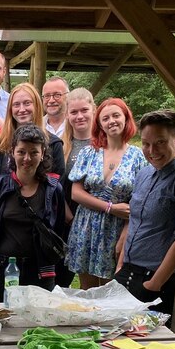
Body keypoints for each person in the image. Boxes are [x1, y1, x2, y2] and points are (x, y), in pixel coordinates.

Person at [0, 124, 66, 302]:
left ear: (42, 154)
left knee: (38, 318)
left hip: (39, 270)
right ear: (12, 152)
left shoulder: (53, 189)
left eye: (34, 152)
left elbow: (58, 228)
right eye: (21, 152)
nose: (27, 158)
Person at [115, 109, 175, 319]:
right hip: (127, 272)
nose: (151, 151)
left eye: (160, 142)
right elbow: (133, 218)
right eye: (146, 143)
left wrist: (154, 284)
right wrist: (120, 264)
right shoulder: (144, 173)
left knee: (144, 339)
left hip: (155, 281)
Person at [66, 97, 146, 289]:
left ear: (126, 118)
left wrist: (125, 235)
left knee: (111, 289)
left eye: (116, 115)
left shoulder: (138, 157)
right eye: (105, 118)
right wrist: (110, 208)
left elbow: (138, 202)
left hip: (116, 229)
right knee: (87, 290)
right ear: (100, 124)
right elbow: (76, 193)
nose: (112, 121)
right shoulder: (89, 153)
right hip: (86, 226)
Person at [0, 83, 65, 184]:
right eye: (16, 104)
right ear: (10, 109)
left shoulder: (53, 144)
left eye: (27, 103)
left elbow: (58, 187)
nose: (22, 109)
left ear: (36, 106)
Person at [55, 87, 96, 288]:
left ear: (93, 110)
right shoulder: (61, 146)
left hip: (97, 220)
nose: (79, 116)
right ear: (67, 115)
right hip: (67, 220)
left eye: (84, 110)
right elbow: (54, 185)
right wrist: (69, 217)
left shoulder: (105, 144)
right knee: (63, 279)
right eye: (74, 112)